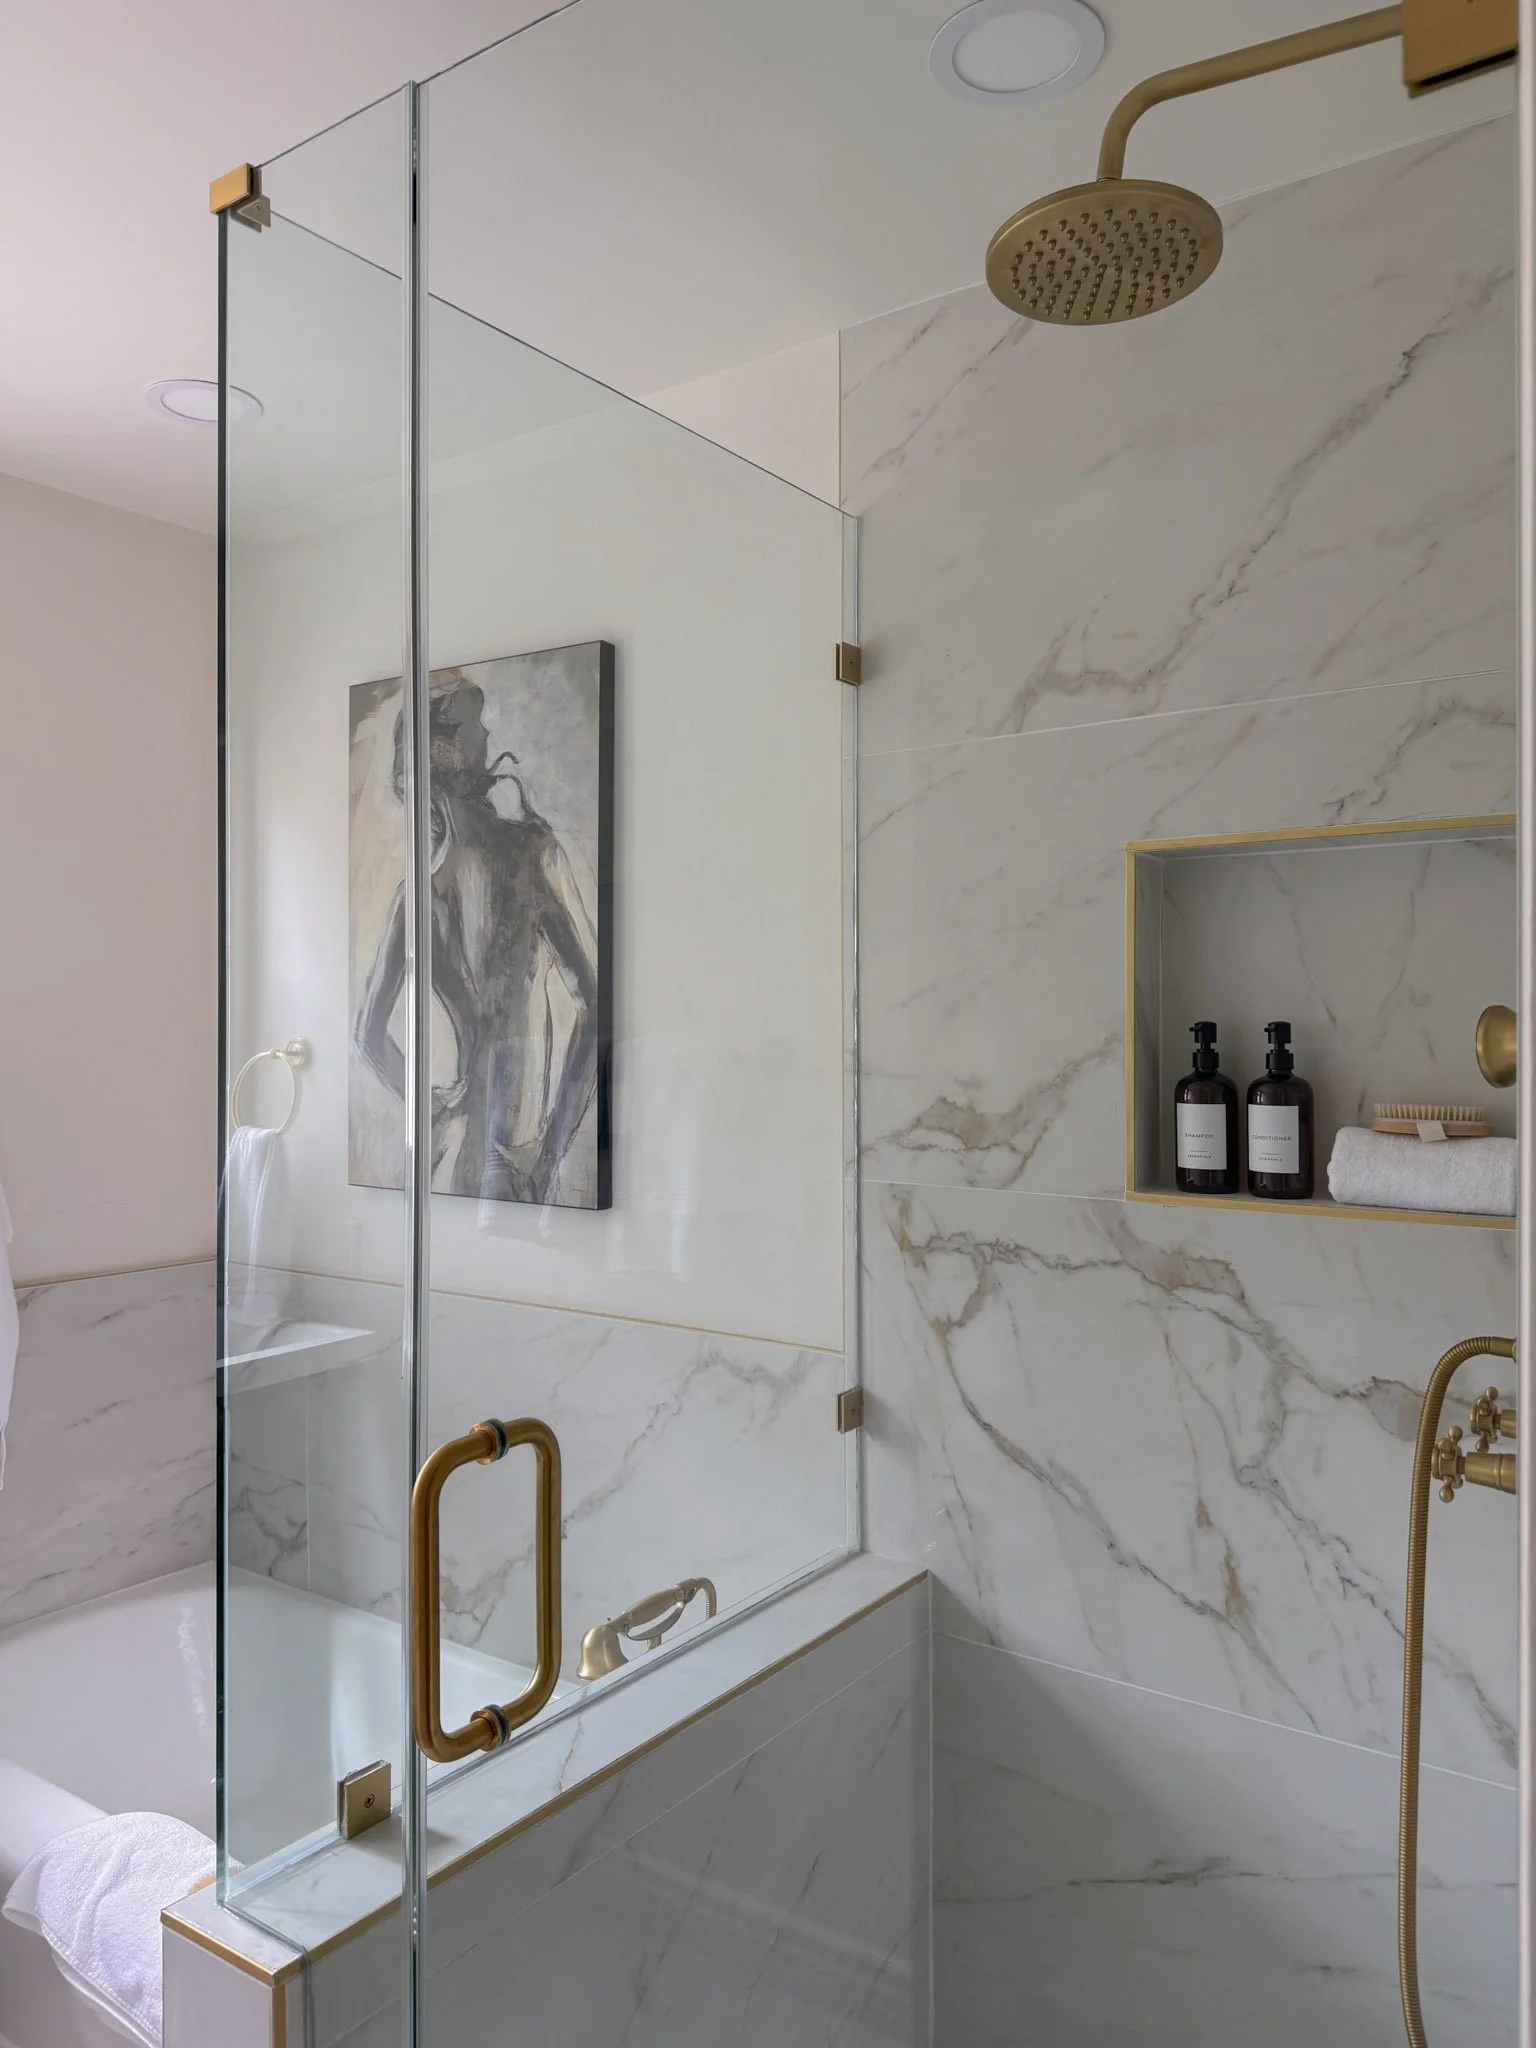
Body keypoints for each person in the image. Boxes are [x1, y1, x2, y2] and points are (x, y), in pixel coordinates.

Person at [355, 671, 600, 1205]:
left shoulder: (416, 895)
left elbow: (368, 1033)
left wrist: (431, 1106)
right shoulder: (531, 854)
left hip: (452, 1147)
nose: (489, 738)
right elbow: (595, 1007)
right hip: (513, 1149)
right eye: (476, 728)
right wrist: (552, 1147)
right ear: (451, 754)